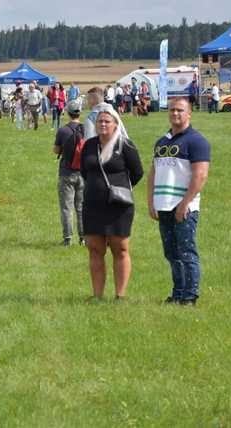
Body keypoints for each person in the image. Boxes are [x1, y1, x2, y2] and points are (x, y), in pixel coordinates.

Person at [147, 98, 210, 306]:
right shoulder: (162, 142)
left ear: (189, 113)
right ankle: (177, 293)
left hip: (184, 207)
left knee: (186, 252)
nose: (175, 114)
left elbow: (200, 176)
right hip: (163, 205)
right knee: (171, 253)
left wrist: (185, 204)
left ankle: (190, 296)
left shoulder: (196, 141)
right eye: (172, 110)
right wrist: (151, 201)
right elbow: (153, 172)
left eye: (180, 110)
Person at [80, 104, 143, 300]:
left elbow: (138, 172)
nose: (103, 124)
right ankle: (97, 296)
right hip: (92, 206)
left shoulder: (125, 145)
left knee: (120, 249)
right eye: (100, 121)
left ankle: (120, 295)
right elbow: (84, 171)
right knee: (95, 250)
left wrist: (119, 188)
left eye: (107, 121)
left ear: (116, 124)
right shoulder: (89, 146)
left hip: (119, 207)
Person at [53, 100, 85, 246]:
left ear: (67, 112)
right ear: (80, 112)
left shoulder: (63, 130)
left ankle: (67, 238)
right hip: (83, 173)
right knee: (81, 207)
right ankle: (83, 238)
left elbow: (56, 150)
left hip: (66, 172)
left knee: (67, 207)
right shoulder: (86, 129)